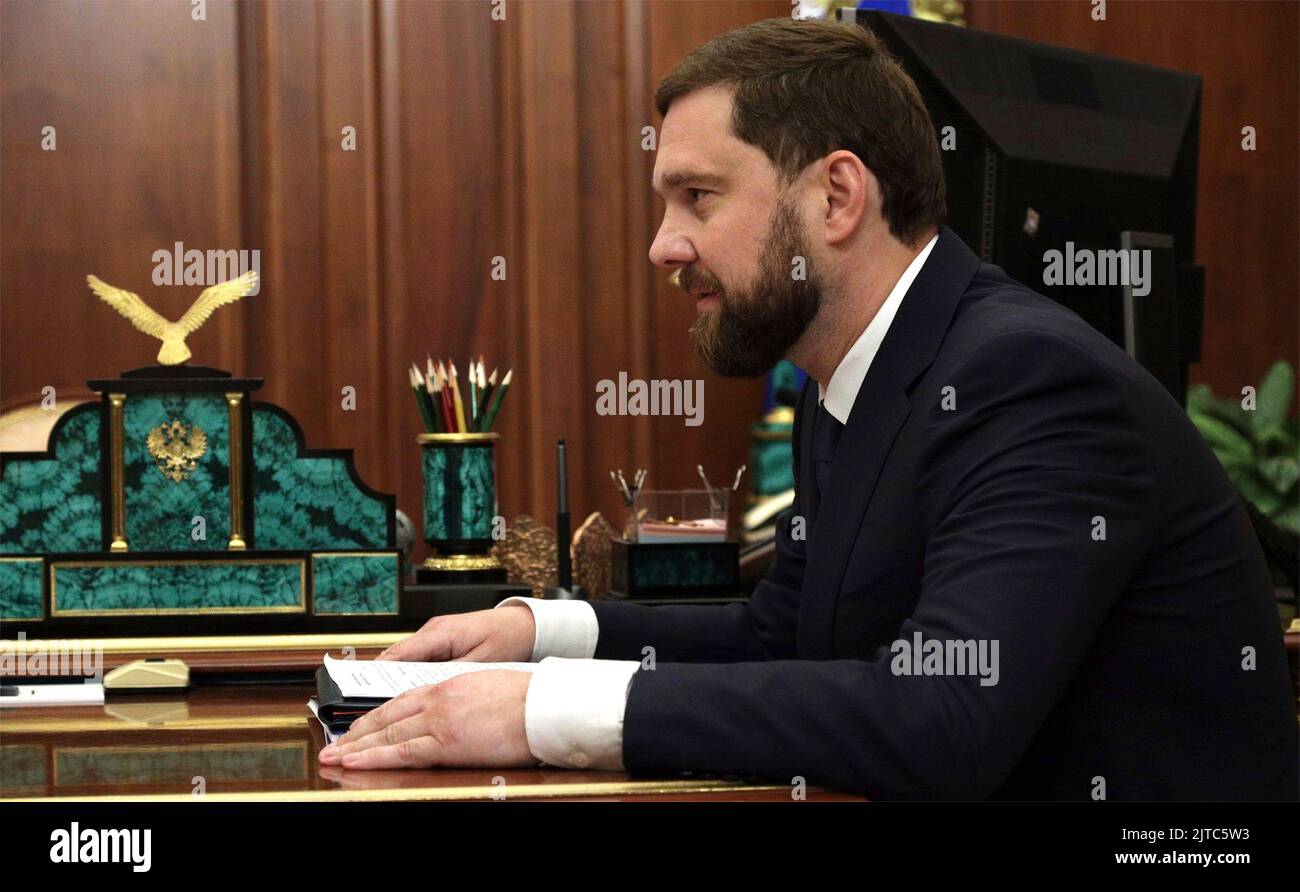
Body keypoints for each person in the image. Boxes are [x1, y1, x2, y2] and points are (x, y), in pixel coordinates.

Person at [319, 18, 1297, 800]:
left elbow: (944, 717)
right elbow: (779, 637)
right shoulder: (859, 375)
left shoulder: (1028, 381)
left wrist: (540, 713)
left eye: (698, 196)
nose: (663, 245)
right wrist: (542, 631)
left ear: (836, 197)